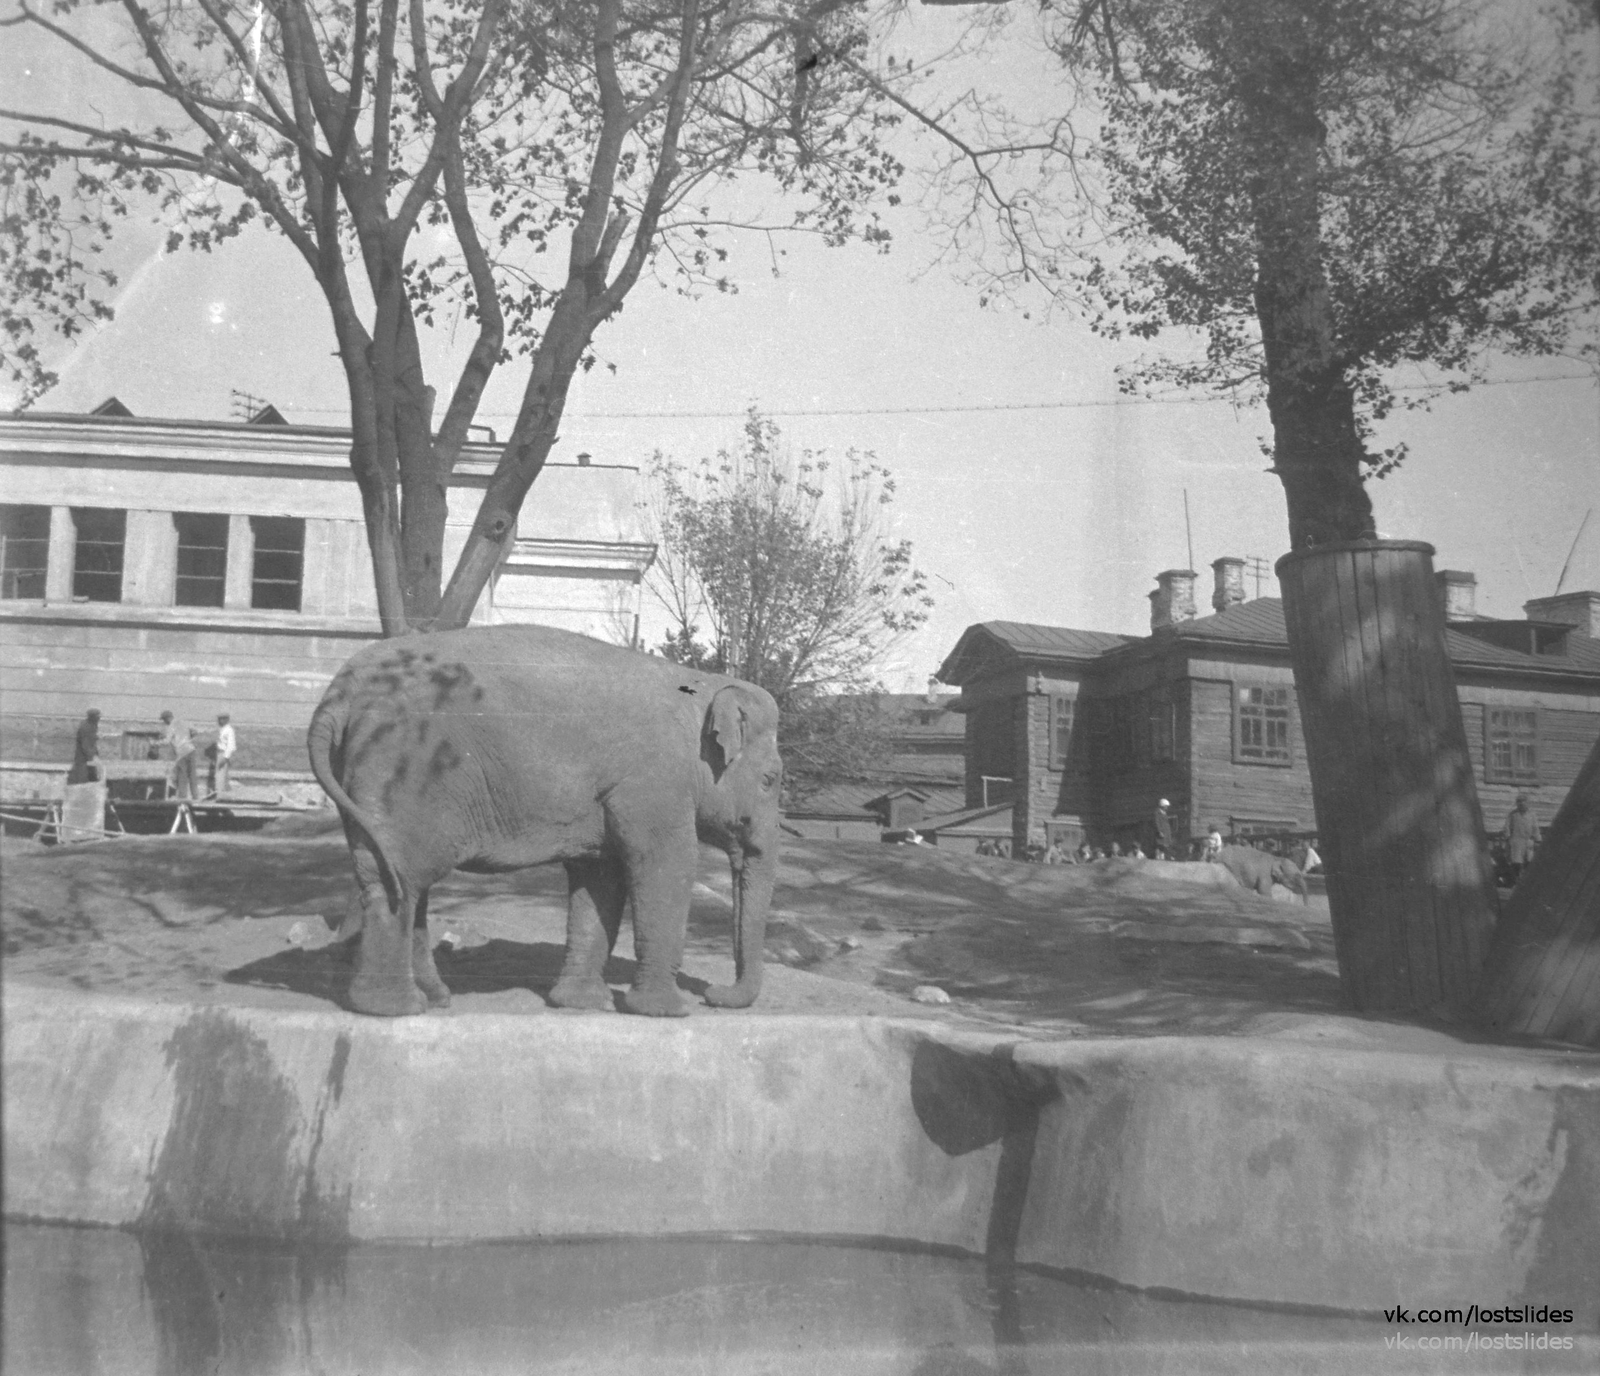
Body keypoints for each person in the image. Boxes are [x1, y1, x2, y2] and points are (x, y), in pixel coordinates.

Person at [1502, 794, 1541, 885]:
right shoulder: (1513, 814)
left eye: (1524, 803)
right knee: (1516, 862)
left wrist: (1538, 839)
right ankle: (1516, 880)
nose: (1522, 805)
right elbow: (1507, 827)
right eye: (1519, 803)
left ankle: (1527, 881)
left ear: (1527, 804)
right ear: (1517, 804)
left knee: (1529, 860)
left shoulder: (1532, 815)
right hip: (1516, 840)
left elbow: (1535, 827)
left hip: (1528, 841)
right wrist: (1507, 837)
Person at [159, 709, 197, 800]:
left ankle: (183, 796)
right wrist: (188, 740)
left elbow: (167, 741)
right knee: (192, 775)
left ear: (167, 718)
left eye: (164, 720)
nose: (164, 722)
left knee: (182, 775)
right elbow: (195, 731)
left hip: (182, 753)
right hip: (191, 750)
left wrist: (156, 743)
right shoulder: (183, 721)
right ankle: (195, 796)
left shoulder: (171, 726)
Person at [67, 707, 103, 785]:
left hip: (86, 757)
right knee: (82, 776)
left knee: (88, 775)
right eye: (98, 716)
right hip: (83, 758)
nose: (99, 719)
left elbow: (91, 741)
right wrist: (92, 756)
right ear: (93, 717)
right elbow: (86, 744)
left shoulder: (91, 725)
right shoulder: (86, 727)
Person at [210, 713, 236, 796]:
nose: (219, 721)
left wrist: (225, 757)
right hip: (219, 753)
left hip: (224, 753)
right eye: (219, 719)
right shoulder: (223, 729)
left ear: (226, 720)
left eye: (221, 719)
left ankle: (219, 793)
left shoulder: (229, 730)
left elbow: (231, 746)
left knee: (220, 775)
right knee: (220, 774)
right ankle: (220, 792)